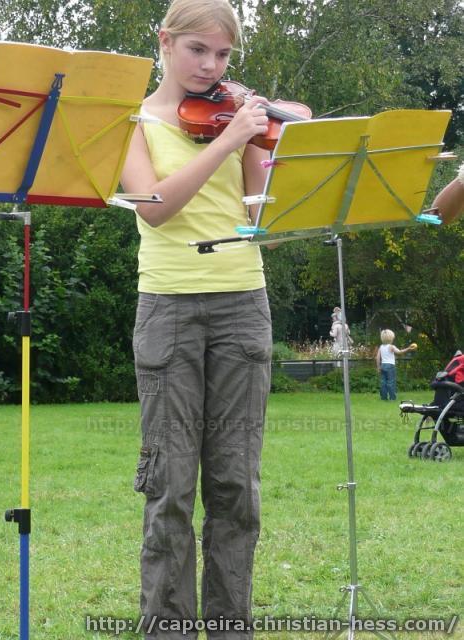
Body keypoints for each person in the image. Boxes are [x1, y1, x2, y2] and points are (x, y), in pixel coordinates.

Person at [120, 1, 272, 638]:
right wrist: (230, 141)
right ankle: (168, 629)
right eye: (198, 50)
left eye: (224, 55)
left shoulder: (232, 117)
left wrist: (261, 140)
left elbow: (261, 213)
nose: (212, 66)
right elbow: (154, 208)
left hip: (243, 303)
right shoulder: (132, 120)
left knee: (237, 486)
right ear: (165, 41)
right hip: (169, 308)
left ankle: (231, 627)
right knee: (171, 486)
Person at [376, 329, 416, 401]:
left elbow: (377, 358)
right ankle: (392, 398)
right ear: (391, 338)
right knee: (391, 382)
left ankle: (383, 398)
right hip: (390, 366)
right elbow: (400, 352)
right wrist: (408, 348)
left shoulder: (381, 347)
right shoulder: (391, 346)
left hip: (383, 365)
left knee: (383, 382)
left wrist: (378, 367)